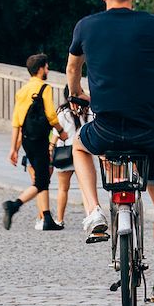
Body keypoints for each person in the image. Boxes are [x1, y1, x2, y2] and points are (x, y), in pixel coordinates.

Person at [66, 0, 154, 300]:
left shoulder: (86, 27)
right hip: (146, 133)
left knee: (79, 146)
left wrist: (76, 93)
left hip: (104, 129)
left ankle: (92, 211)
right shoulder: (152, 25)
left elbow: (73, 68)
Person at [3, 54, 68, 231]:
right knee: (41, 181)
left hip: (26, 140)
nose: (48, 70)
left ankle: (47, 217)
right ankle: (13, 205)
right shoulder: (44, 88)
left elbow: (16, 122)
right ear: (40, 69)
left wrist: (13, 149)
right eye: (46, 67)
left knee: (42, 177)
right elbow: (51, 115)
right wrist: (61, 132)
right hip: (40, 139)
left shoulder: (22, 91)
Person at [54, 97, 98, 229]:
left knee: (63, 188)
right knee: (85, 187)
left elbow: (57, 134)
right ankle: (90, 215)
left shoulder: (63, 113)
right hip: (83, 154)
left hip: (65, 154)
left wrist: (51, 147)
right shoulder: (87, 112)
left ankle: (60, 219)